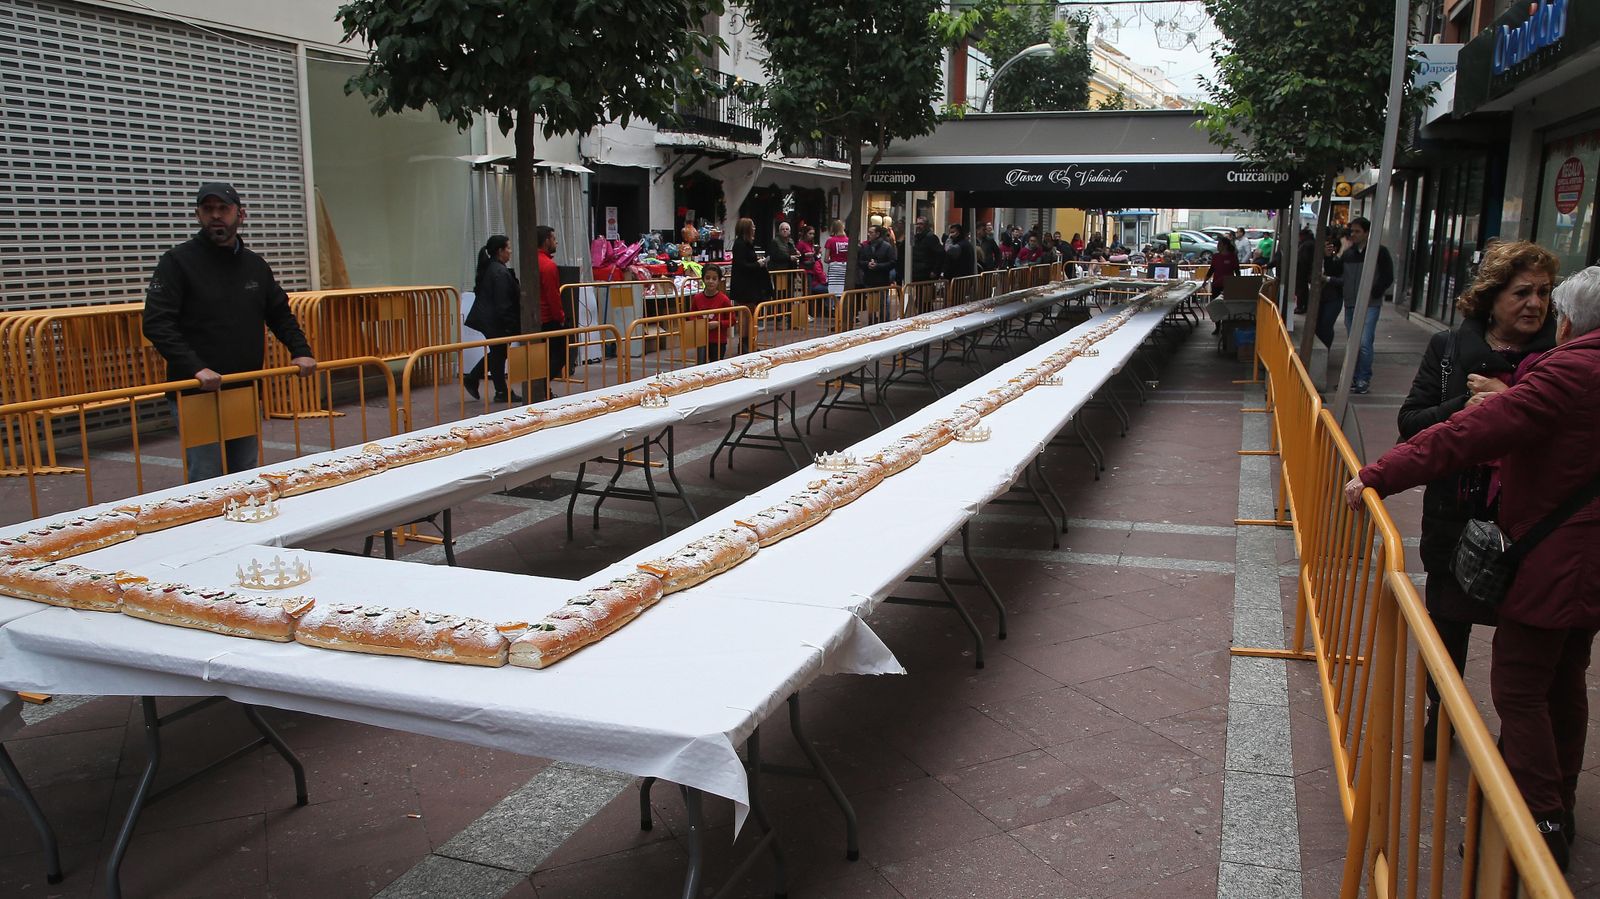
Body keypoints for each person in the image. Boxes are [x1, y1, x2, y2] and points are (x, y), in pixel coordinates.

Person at [1344, 265, 1600, 870]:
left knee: (1520, 686)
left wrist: (1378, 473)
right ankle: (1556, 796)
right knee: (1564, 677)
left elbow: (1465, 435)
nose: (1540, 310)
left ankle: (1536, 827)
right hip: (1579, 557)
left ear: (1569, 320)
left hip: (1562, 557)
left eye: (1548, 301)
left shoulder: (1572, 369)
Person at [1394, 241, 1560, 763]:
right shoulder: (1448, 350)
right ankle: (1439, 716)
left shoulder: (1562, 357)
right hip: (1456, 514)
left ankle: (1520, 747)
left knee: (1526, 642)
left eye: (1544, 293)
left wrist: (1510, 400)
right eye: (1522, 292)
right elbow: (1411, 423)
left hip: (1530, 522)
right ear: (1491, 298)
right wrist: (1466, 405)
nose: (1535, 303)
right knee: (1447, 622)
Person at [143, 182, 316, 482]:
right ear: (198, 215)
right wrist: (195, 368)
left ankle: (246, 528)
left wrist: (300, 350)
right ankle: (208, 529)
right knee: (206, 477)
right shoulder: (177, 262)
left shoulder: (254, 266)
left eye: (223, 208)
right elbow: (157, 322)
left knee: (245, 473)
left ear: (240, 214)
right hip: (195, 394)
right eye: (208, 209)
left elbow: (279, 313)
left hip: (243, 389)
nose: (216, 216)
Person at [463, 234, 522, 403]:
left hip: (492, 320)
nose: (510, 252)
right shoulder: (499, 272)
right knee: (498, 353)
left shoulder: (494, 269)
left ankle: (493, 387)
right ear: (500, 251)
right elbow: (503, 303)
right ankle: (499, 390)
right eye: (508, 248)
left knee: (498, 353)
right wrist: (510, 325)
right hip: (496, 321)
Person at [1340, 216, 1396, 394]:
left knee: (1364, 342)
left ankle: (1363, 378)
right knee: (1353, 342)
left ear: (1366, 233)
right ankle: (1354, 377)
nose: (1353, 234)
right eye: (1352, 231)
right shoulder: (1349, 253)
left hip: (1369, 304)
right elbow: (1339, 272)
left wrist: (1374, 292)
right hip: (1351, 303)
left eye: (1357, 231)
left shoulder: (1379, 252)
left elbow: (1388, 276)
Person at [534, 225, 567, 387]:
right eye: (553, 239)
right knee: (559, 355)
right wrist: (560, 317)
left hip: (538, 318)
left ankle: (540, 386)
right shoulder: (548, 266)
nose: (556, 242)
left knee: (544, 356)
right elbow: (552, 295)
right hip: (548, 318)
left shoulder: (533, 262)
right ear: (546, 240)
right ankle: (541, 386)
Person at [689, 265, 736, 364]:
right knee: (701, 365)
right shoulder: (697, 298)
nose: (710, 281)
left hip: (718, 340)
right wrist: (699, 323)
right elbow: (692, 315)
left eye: (714, 279)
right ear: (703, 279)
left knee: (716, 365)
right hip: (701, 338)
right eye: (707, 278)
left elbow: (732, 320)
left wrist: (719, 324)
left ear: (719, 281)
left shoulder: (724, 299)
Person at [729, 217, 767, 315]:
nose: (754, 229)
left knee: (751, 313)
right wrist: (758, 264)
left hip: (750, 285)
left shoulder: (747, 243)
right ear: (747, 229)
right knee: (746, 314)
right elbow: (742, 265)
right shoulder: (740, 244)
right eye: (752, 227)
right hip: (744, 287)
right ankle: (746, 330)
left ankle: (750, 330)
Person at [909, 216, 943, 282]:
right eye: (917, 224)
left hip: (926, 274)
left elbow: (940, 255)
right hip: (915, 273)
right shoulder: (914, 238)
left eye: (921, 224)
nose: (918, 226)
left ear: (926, 225)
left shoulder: (931, 238)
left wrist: (935, 271)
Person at [824, 219, 851, 300]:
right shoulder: (848, 240)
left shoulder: (830, 240)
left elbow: (826, 259)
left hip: (834, 269)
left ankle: (834, 310)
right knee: (844, 293)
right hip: (846, 268)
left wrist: (832, 260)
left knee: (834, 293)